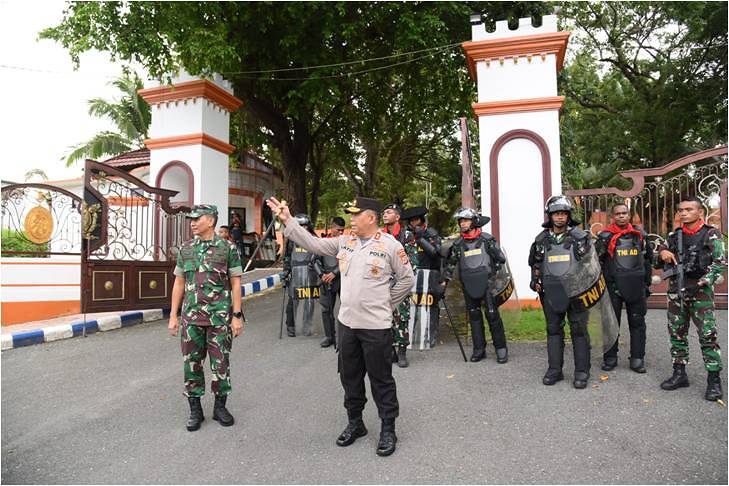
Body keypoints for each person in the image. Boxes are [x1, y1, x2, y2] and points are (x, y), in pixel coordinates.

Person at [266, 195, 414, 457]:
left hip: (376, 326)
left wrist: (385, 304)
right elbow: (312, 243)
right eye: (350, 214)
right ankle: (355, 423)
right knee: (349, 377)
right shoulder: (345, 242)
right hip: (347, 324)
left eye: (356, 214)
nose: (351, 219)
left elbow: (406, 280)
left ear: (371, 217)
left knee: (381, 379)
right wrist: (287, 219)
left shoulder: (390, 246)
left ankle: (388, 428)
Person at [168, 204, 244, 431]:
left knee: (221, 363)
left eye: (197, 218)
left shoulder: (227, 248)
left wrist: (237, 315)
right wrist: (173, 315)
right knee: (192, 365)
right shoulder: (186, 248)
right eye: (191, 218)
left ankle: (220, 407)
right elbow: (179, 283)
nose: (192, 222)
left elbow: (236, 283)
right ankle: (195, 410)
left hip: (219, 318)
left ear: (210, 221)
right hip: (191, 319)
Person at [656, 197, 726, 401]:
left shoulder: (711, 234)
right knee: (677, 334)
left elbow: (719, 264)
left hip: (700, 293)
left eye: (689, 209)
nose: (683, 213)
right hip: (676, 292)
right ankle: (679, 373)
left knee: (707, 336)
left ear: (700, 212)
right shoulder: (673, 236)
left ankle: (714, 380)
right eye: (681, 210)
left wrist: (702, 283)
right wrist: (663, 253)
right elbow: (656, 257)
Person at [528, 195, 594, 389]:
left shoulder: (580, 238)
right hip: (551, 291)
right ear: (550, 216)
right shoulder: (541, 240)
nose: (560, 217)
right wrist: (535, 280)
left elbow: (590, 265)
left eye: (563, 213)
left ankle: (582, 371)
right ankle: (554, 370)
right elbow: (536, 264)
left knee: (579, 330)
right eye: (556, 213)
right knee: (553, 330)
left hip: (576, 292)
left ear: (568, 216)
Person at [443, 208, 509, 363]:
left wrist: (498, 276)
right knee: (474, 316)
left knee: (492, 315)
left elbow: (500, 259)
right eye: (461, 221)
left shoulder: (487, 240)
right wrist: (443, 282)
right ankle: (479, 349)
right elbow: (451, 265)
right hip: (468, 284)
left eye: (466, 220)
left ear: (474, 222)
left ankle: (501, 348)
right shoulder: (458, 244)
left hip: (488, 284)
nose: (463, 223)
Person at [595, 203, 653, 373]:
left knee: (637, 323)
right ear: (612, 217)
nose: (621, 216)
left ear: (629, 215)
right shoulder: (605, 237)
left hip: (636, 286)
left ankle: (637, 358)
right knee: (611, 324)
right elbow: (595, 260)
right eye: (618, 214)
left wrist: (647, 283)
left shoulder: (640, 235)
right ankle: (610, 357)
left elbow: (649, 259)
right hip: (612, 287)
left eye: (624, 213)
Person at [401, 206, 443, 350]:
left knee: (431, 305)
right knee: (412, 304)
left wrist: (421, 238)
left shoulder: (430, 233)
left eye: (416, 219)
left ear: (421, 219)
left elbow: (436, 252)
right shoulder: (405, 235)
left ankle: (430, 334)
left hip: (430, 274)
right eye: (411, 221)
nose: (414, 223)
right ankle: (411, 334)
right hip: (412, 274)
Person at [382, 203, 417, 367]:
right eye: (384, 212)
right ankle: (389, 350)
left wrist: (402, 280)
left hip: (400, 282)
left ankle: (402, 350)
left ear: (397, 217)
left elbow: (412, 261)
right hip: (382, 284)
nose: (385, 215)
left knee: (401, 317)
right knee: (384, 316)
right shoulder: (378, 235)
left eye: (389, 212)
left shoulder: (407, 235)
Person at [282, 214, 319, 337]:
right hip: (295, 273)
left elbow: (319, 257)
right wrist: (286, 272)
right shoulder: (292, 240)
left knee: (309, 301)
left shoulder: (314, 238)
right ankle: (291, 326)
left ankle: (307, 326)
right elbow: (287, 257)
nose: (303, 228)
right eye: (300, 225)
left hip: (310, 273)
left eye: (305, 225)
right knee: (293, 300)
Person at [313, 216, 346, 348]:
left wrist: (334, 273)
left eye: (343, 230)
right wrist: (322, 274)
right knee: (326, 309)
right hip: (325, 279)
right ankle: (329, 336)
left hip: (342, 279)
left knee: (346, 308)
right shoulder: (323, 242)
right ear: (332, 228)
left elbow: (347, 259)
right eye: (339, 230)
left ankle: (344, 337)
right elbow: (314, 260)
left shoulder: (346, 243)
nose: (341, 232)